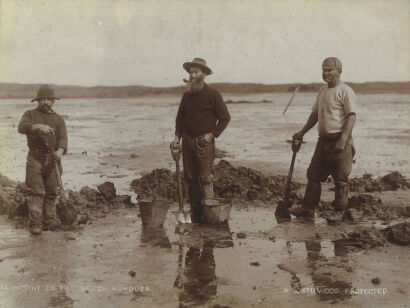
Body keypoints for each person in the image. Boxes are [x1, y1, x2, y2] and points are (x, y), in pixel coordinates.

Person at [289, 57, 357, 218]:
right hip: (323, 140)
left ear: (339, 71)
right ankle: (308, 209)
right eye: (323, 69)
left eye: (329, 70)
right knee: (313, 175)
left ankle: (340, 212)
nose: (325, 73)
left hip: (340, 140)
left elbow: (351, 116)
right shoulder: (323, 90)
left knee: (340, 178)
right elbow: (315, 114)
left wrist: (343, 140)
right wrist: (302, 132)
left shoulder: (345, 90)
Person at [171, 58, 231, 222]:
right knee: (190, 178)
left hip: (204, 143)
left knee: (205, 178)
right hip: (187, 142)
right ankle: (196, 213)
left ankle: (210, 214)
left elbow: (225, 118)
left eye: (196, 72)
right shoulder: (187, 96)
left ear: (204, 74)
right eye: (190, 72)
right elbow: (180, 120)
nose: (192, 75)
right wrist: (177, 138)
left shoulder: (213, 94)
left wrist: (212, 134)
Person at [18, 85, 68, 235]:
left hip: (53, 159)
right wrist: (36, 126)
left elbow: (63, 139)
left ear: (53, 101)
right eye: (43, 99)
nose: (46, 102)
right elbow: (21, 128)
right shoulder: (30, 114)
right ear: (38, 101)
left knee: (52, 191)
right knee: (36, 191)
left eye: (49, 99)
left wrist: (60, 151)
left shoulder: (59, 119)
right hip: (35, 158)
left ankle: (50, 221)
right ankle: (35, 224)